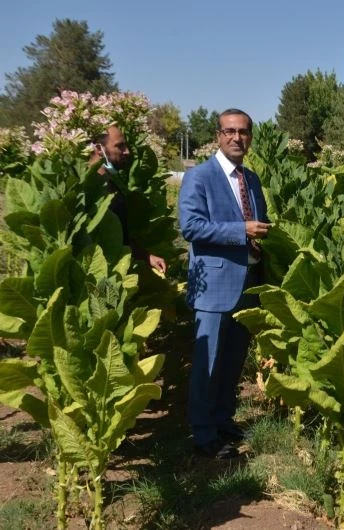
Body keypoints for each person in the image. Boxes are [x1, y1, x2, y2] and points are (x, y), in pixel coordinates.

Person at [178, 108, 271, 459]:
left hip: (248, 280)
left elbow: (259, 222)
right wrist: (241, 231)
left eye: (244, 132)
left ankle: (223, 420)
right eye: (230, 131)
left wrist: (260, 243)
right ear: (218, 135)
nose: (237, 138)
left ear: (250, 137)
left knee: (232, 361)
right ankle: (204, 435)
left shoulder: (252, 179)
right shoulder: (199, 177)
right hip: (214, 283)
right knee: (208, 362)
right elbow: (191, 227)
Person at [90, 125, 167, 274]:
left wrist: (146, 256)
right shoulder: (88, 189)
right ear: (99, 149)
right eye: (120, 146)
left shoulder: (111, 182)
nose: (127, 151)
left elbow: (119, 236)